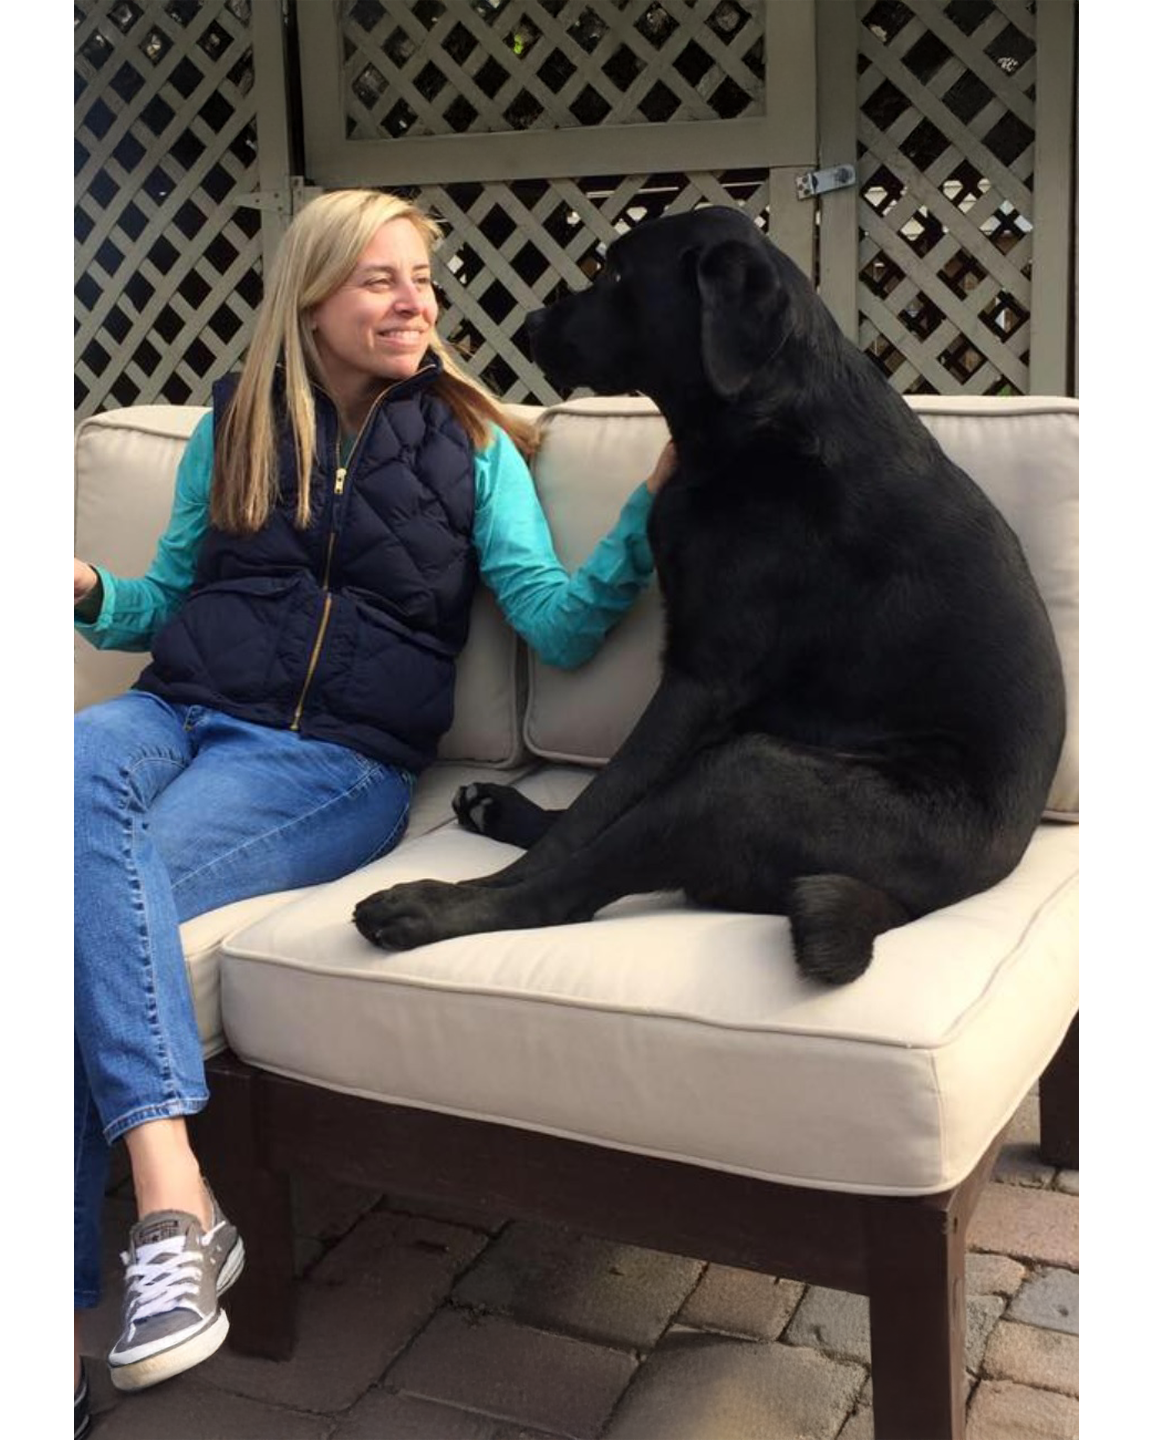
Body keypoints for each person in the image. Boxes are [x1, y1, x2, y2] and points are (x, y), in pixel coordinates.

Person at [74, 188, 673, 1433]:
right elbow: (160, 606)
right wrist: (84, 584)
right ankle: (175, 1208)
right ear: (311, 300)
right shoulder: (237, 425)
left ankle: (150, 1236)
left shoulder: (473, 442)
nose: (416, 304)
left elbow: (556, 623)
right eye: (380, 280)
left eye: (424, 281)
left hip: (324, 765)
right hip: (172, 709)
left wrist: (648, 510)